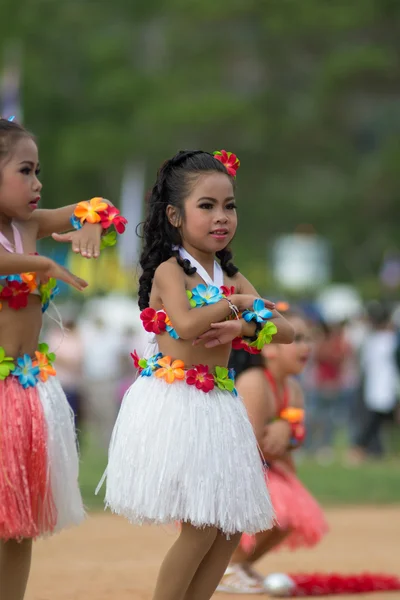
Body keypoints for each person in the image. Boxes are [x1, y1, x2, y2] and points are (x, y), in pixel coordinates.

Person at [99, 149, 294, 600]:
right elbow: (186, 324)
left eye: (229, 206)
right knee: (202, 526)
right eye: (206, 206)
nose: (221, 216)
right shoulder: (172, 270)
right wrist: (239, 305)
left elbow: (283, 329)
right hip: (179, 402)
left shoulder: (229, 272)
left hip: (218, 406)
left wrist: (244, 325)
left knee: (227, 529)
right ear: (174, 215)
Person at [0, 117, 125, 600]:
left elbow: (104, 209)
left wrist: (92, 224)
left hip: (25, 392)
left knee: (17, 523)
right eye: (25, 171)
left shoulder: (29, 224)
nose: (38, 184)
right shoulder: (29, 244)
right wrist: (43, 263)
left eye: (38, 172)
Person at [218, 310, 328, 594]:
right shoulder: (255, 381)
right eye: (296, 339)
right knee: (281, 510)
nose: (306, 346)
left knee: (289, 516)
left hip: (266, 466)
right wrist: (281, 432)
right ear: (268, 347)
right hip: (234, 469)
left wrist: (285, 431)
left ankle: (240, 564)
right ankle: (226, 567)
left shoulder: (292, 388)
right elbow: (249, 446)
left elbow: (295, 438)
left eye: (308, 339)